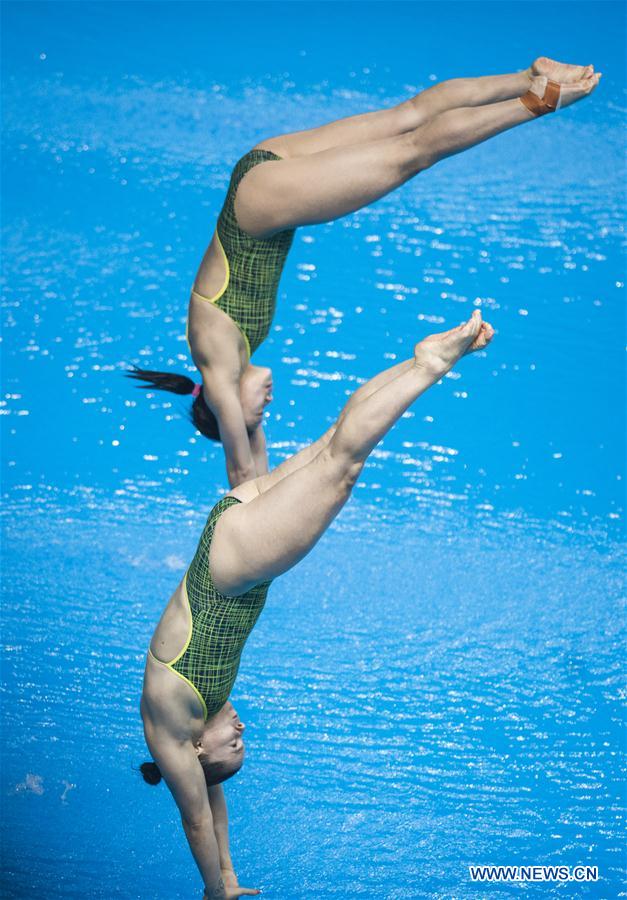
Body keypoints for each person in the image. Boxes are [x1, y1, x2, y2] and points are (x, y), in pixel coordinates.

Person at [140, 310, 495, 898]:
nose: (243, 729)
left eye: (236, 744)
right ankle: (416, 361)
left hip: (233, 568)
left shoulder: (171, 732)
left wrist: (214, 891)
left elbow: (197, 817)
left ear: (197, 751)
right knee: (331, 444)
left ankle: (430, 366)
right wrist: (231, 875)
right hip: (230, 539)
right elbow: (214, 800)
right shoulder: (193, 731)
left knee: (342, 465)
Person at [128, 57, 599, 489]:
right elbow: (258, 465)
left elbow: (244, 475)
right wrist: (255, 440)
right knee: (408, 116)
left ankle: (537, 100)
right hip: (260, 172)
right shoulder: (236, 356)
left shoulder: (217, 370)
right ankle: (529, 77)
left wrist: (247, 468)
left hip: (260, 206)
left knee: (413, 151)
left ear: (221, 405)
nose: (266, 406)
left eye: (255, 416)